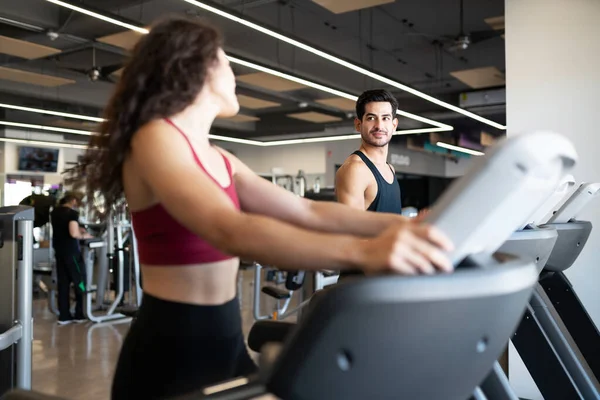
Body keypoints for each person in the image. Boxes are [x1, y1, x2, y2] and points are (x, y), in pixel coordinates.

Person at [71, 15, 454, 400]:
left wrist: (401, 229)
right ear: (194, 68)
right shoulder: (156, 138)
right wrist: (365, 251)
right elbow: (229, 229)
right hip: (173, 344)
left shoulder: (219, 157)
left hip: (225, 334)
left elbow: (308, 211)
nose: (235, 75)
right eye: (227, 63)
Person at [335, 89, 402, 214]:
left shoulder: (390, 169)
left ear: (394, 125)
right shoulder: (355, 169)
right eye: (371, 118)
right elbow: (351, 229)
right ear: (358, 124)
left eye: (385, 118)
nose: (379, 125)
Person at [50, 191, 93, 325]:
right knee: (79, 281)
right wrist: (85, 236)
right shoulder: (72, 214)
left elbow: (63, 229)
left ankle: (64, 316)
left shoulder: (55, 212)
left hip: (59, 251)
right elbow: (73, 233)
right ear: (74, 200)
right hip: (72, 253)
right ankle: (79, 314)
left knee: (63, 283)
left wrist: (79, 229)